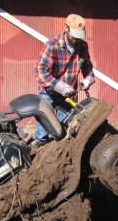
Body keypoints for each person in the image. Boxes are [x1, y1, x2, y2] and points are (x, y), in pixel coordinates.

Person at [33, 14, 95, 146]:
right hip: (49, 93)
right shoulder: (52, 46)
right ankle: (40, 149)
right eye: (74, 35)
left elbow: (87, 66)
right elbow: (40, 72)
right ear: (65, 28)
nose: (77, 39)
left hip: (69, 95)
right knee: (43, 130)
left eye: (79, 35)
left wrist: (88, 79)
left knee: (65, 130)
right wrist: (61, 87)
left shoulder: (82, 46)